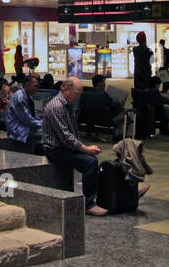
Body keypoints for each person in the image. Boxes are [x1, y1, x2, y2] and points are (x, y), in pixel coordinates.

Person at [42, 77, 132, 216]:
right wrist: (85, 148)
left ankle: (121, 191)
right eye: (76, 93)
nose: (78, 97)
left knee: (97, 164)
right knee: (90, 162)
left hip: (65, 147)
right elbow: (65, 136)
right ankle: (89, 204)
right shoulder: (56, 106)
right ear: (66, 89)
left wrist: (84, 147)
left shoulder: (66, 105)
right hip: (55, 150)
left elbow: (73, 131)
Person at [5, 75, 43, 148]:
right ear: (27, 85)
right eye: (35, 86)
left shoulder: (28, 96)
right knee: (48, 133)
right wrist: (44, 124)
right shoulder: (19, 98)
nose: (37, 88)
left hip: (24, 126)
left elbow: (34, 115)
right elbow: (27, 119)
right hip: (18, 129)